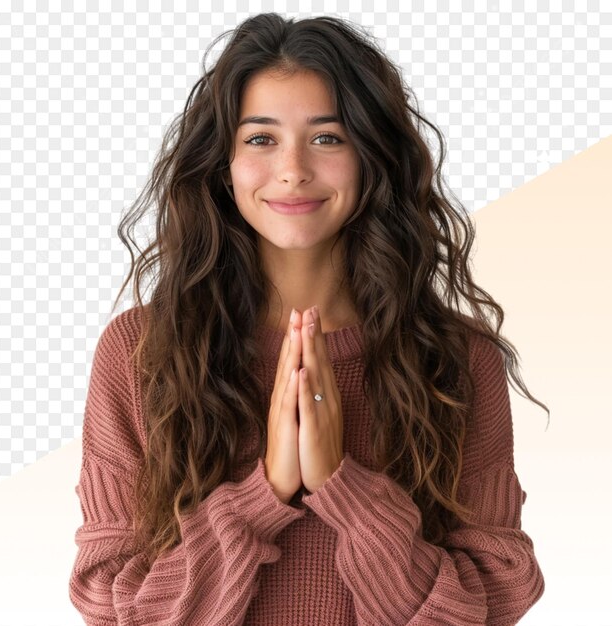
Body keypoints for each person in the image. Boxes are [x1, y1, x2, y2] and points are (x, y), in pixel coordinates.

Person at [69, 12, 547, 625]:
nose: (293, 169)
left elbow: (495, 598)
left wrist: (345, 492)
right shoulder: (140, 351)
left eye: (327, 137)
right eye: (261, 139)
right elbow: (114, 606)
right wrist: (262, 495)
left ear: (372, 156)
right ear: (223, 165)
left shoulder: (456, 358)